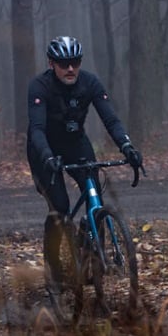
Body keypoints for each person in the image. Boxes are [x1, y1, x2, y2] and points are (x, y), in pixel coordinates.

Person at [26, 36, 143, 287]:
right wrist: (47, 157)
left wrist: (127, 146)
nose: (70, 69)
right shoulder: (39, 87)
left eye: (75, 62)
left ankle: (92, 262)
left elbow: (111, 120)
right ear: (51, 63)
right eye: (64, 63)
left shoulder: (90, 82)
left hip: (75, 143)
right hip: (43, 149)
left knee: (95, 199)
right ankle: (53, 271)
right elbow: (36, 129)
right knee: (60, 207)